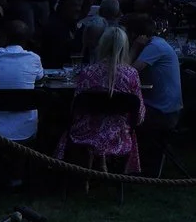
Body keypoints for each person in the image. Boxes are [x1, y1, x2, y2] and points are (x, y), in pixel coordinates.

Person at [65, 26, 147, 172]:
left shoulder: (87, 72)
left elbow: (75, 108)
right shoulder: (131, 74)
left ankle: (89, 166)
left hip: (85, 130)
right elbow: (139, 113)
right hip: (119, 132)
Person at [0, 24, 44, 193]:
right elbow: (40, 77)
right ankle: (17, 179)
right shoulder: (34, 59)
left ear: (3, 37)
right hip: (24, 127)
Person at [128, 12, 183, 173]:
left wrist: (134, 47)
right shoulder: (157, 44)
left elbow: (127, 72)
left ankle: (123, 162)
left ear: (134, 35)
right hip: (163, 108)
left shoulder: (154, 47)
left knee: (119, 114)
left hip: (163, 113)